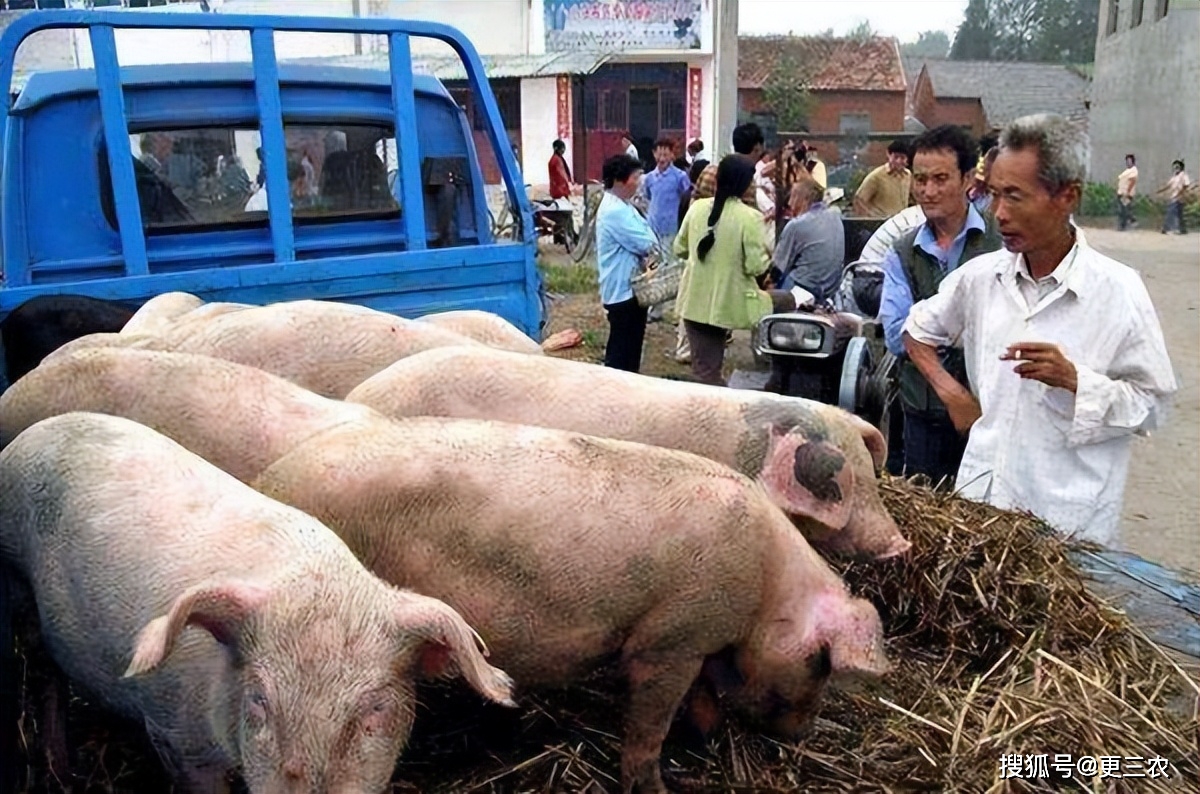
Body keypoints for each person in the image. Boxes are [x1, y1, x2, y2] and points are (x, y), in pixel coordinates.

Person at [903, 114, 1176, 546]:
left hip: (1066, 528)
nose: (1000, 214)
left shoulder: (1117, 292)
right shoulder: (981, 279)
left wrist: (1076, 381)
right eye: (993, 195)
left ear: (1067, 196)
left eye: (1015, 196)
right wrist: (954, 395)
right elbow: (916, 330)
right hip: (982, 510)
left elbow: (1153, 404)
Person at [878, 124, 1002, 485]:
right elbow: (897, 336)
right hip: (923, 410)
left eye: (940, 179)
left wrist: (931, 330)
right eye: (920, 180)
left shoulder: (1000, 243)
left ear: (967, 178)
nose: (928, 191)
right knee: (928, 510)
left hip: (991, 409)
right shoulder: (902, 252)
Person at [674, 156, 775, 385]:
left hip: (693, 300)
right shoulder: (750, 218)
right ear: (745, 184)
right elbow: (755, 266)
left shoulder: (697, 207)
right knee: (709, 372)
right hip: (725, 303)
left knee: (703, 366)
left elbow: (679, 248)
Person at [595, 153, 658, 373]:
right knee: (622, 350)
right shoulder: (614, 211)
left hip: (631, 290)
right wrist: (649, 240)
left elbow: (649, 237)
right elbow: (646, 242)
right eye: (635, 177)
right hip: (622, 291)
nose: (638, 182)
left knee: (631, 347)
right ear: (620, 180)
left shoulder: (624, 205)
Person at [771, 179, 845, 305]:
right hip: (832, 289)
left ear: (803, 199)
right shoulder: (835, 215)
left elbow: (777, 269)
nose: (789, 203)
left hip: (803, 288)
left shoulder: (796, 225)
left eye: (792, 197)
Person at [641, 137, 693, 244]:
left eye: (665, 155)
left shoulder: (680, 177)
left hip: (671, 228)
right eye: (659, 155)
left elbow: (687, 198)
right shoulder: (649, 178)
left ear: (672, 155)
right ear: (654, 154)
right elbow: (647, 197)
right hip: (652, 227)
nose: (662, 159)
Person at [853, 140, 912, 218]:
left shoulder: (908, 175)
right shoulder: (876, 176)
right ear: (889, 155)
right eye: (896, 157)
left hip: (901, 223)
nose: (898, 161)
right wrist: (872, 219)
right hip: (882, 223)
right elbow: (859, 201)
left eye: (902, 158)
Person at [1157, 159, 1192, 235]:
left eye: (1177, 167)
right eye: (1174, 167)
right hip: (1174, 197)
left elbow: (1186, 185)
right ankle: (1183, 229)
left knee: (1170, 212)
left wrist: (1180, 193)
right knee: (1179, 215)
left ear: (1180, 167)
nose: (1175, 168)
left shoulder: (1183, 175)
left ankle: (1166, 228)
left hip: (1179, 198)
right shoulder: (1174, 177)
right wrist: (1160, 191)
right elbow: (1168, 185)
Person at [1116, 153, 1138, 231]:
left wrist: (1127, 192)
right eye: (1127, 161)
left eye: (1129, 161)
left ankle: (1126, 224)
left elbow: (1132, 181)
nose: (1128, 162)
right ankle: (1128, 223)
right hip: (1121, 192)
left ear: (1133, 161)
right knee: (1123, 209)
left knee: (1124, 210)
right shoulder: (1127, 170)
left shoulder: (1133, 170)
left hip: (1126, 194)